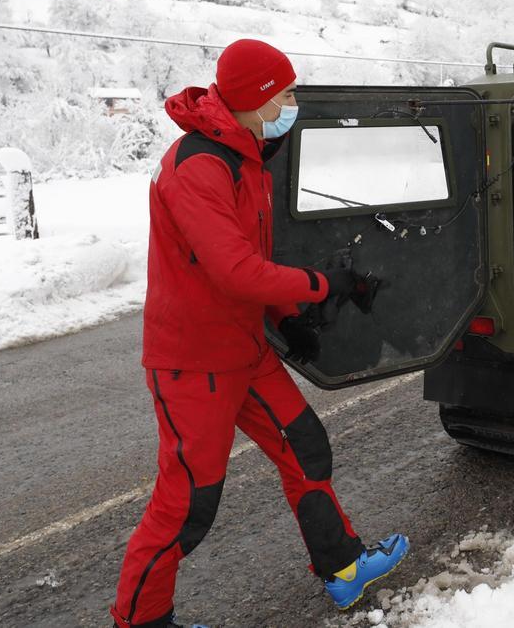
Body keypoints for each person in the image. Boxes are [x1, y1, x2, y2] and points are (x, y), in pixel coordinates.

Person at [111, 39, 407, 628]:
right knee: (187, 504)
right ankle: (139, 621)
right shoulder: (199, 166)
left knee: (305, 446)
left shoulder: (248, 156)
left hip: (244, 348)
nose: (294, 103)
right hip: (195, 363)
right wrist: (325, 285)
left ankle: (343, 566)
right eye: (288, 93)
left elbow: (249, 258)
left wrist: (285, 319)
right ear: (259, 100)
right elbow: (235, 270)